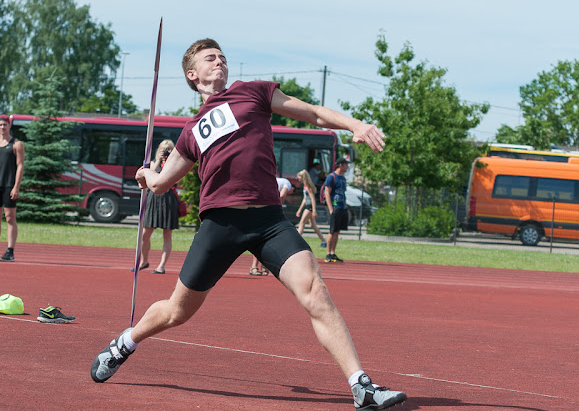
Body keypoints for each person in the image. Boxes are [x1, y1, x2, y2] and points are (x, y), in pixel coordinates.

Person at [91, 38, 406, 410]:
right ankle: (125, 343)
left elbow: (314, 114)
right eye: (211, 58)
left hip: (269, 220)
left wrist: (355, 124)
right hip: (220, 222)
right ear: (193, 75)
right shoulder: (190, 132)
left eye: (223, 57)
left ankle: (361, 387)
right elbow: (160, 185)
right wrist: (147, 173)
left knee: (316, 292)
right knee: (178, 312)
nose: (220, 61)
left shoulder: (253, 92)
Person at [131, 140, 180, 274]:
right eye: (163, 149)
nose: (165, 152)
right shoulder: (153, 163)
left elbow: (176, 180)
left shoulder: (175, 165)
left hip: (169, 198)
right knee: (145, 233)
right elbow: (150, 176)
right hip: (154, 199)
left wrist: (169, 162)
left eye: (168, 149)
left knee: (167, 234)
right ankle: (144, 261)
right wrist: (159, 160)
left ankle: (161, 266)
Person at [249, 176, 291, 276]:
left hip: (262, 209)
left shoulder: (265, 180)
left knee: (265, 239)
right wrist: (278, 210)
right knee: (262, 239)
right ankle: (255, 266)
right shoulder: (286, 183)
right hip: (266, 211)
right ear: (292, 189)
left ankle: (260, 266)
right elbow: (282, 195)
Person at [0, 115, 24, 262]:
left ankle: (10, 251)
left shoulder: (17, 144)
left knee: (10, 217)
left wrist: (16, 186)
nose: (2, 127)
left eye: (4, 125)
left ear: (10, 126)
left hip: (9, 184)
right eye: (0, 125)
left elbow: (20, 165)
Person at [323, 157, 350, 263]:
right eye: (346, 164)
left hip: (342, 207)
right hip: (335, 207)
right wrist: (330, 208)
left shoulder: (342, 178)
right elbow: (327, 193)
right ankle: (328, 253)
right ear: (340, 165)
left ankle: (333, 253)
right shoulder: (331, 177)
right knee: (332, 231)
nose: (347, 167)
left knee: (337, 231)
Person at [295, 169, 326, 247]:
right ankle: (324, 241)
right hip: (308, 206)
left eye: (299, 178)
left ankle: (296, 241)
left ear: (303, 178)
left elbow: (312, 199)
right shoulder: (305, 187)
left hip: (309, 208)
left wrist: (314, 211)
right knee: (313, 226)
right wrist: (299, 210)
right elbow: (305, 199)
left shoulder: (308, 187)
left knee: (301, 223)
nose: (298, 180)